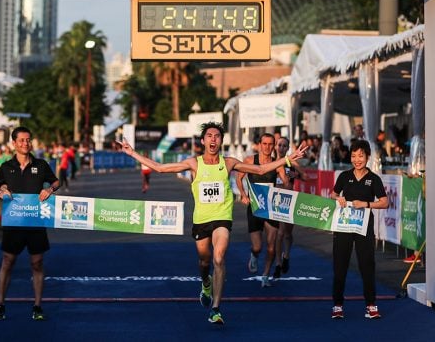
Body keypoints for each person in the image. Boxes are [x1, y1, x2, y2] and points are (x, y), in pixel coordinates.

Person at [118, 122, 306, 325]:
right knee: (204, 261)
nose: (213, 139)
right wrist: (132, 153)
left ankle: (215, 309)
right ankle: (206, 283)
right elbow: (161, 168)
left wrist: (287, 159)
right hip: (201, 220)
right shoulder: (194, 163)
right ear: (203, 141)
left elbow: (260, 169)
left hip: (222, 217)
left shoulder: (229, 163)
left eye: (217, 136)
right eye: (209, 136)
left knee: (219, 257)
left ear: (221, 141)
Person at [0, 126, 60, 322]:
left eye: (28, 140)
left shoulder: (41, 165)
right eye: (21, 140)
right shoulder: (6, 167)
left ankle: (37, 306)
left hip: (36, 221)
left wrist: (49, 190)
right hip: (13, 222)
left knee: (37, 263)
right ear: (14, 143)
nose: (25, 143)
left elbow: (56, 182)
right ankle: (0, 305)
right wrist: (1, 192)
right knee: (7, 262)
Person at [330, 139, 388, 320]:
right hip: (343, 226)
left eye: (360, 156)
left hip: (364, 228)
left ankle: (371, 305)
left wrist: (366, 204)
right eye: (353, 156)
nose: (357, 160)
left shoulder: (374, 179)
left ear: (367, 157)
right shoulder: (344, 176)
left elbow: (384, 202)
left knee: (367, 265)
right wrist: (338, 198)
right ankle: (337, 305)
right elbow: (332, 194)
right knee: (340, 266)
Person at [235, 133, 289, 288]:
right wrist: (243, 195)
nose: (267, 147)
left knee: (271, 246)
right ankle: (254, 254)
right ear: (259, 145)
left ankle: (265, 275)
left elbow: (286, 182)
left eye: (270, 144)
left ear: (274, 146)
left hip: (271, 208)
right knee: (258, 246)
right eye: (264, 144)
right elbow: (239, 178)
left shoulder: (277, 164)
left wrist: (286, 183)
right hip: (255, 207)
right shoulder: (250, 161)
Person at [273, 136, 307, 279]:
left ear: (287, 148)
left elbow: (305, 176)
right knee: (280, 233)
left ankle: (286, 255)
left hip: (290, 199)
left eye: (284, 146)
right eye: (279, 145)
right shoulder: (271, 162)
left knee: (287, 233)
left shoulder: (291, 162)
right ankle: (278, 264)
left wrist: (296, 175)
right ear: (275, 146)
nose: (281, 148)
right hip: (276, 200)